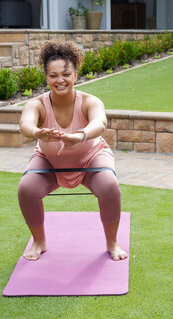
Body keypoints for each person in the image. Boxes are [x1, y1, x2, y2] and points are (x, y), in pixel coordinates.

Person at [17, 40, 128, 261]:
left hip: (90, 158)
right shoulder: (37, 104)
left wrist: (80, 136)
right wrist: (38, 133)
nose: (60, 80)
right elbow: (25, 125)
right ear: (47, 77)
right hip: (50, 161)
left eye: (66, 74)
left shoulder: (89, 101)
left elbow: (100, 122)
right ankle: (39, 242)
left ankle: (112, 242)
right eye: (53, 75)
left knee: (109, 185)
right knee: (26, 189)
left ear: (75, 75)